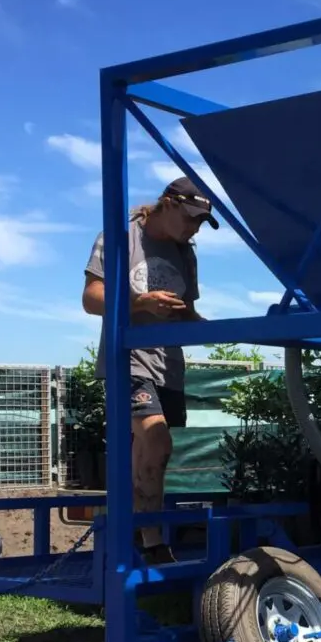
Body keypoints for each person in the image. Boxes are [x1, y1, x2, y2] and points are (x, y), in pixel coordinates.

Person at [81, 176, 218, 565]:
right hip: (130, 360)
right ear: (169, 203)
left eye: (199, 224)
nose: (193, 230)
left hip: (168, 365)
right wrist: (141, 303)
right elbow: (92, 298)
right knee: (156, 441)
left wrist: (224, 329)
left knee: (149, 454)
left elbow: (185, 313)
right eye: (190, 219)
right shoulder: (121, 236)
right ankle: (152, 541)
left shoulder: (186, 254)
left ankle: (136, 536)